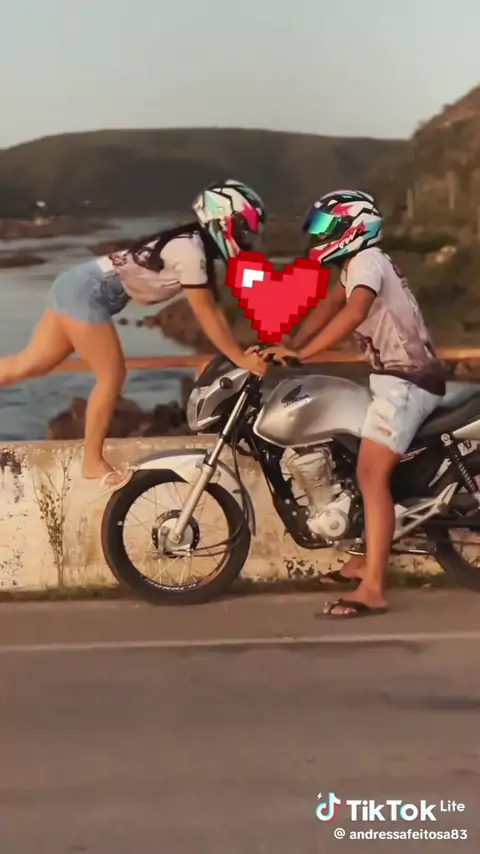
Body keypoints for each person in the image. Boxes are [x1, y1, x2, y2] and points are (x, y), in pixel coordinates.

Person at [0, 179, 267, 492]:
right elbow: (206, 313)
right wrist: (239, 358)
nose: (248, 235)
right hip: (86, 292)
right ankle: (92, 461)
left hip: (76, 284)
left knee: (30, 364)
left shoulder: (193, 245)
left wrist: (246, 346)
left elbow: (216, 309)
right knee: (111, 375)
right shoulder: (190, 252)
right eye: (245, 226)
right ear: (221, 220)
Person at [257, 189, 446, 618]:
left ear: (354, 226)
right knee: (353, 456)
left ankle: (373, 588)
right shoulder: (358, 265)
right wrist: (290, 345)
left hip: (407, 382)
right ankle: (362, 560)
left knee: (370, 475)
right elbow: (331, 304)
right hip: (395, 379)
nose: (320, 236)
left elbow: (355, 311)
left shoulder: (366, 260)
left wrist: (305, 355)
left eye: (327, 227)